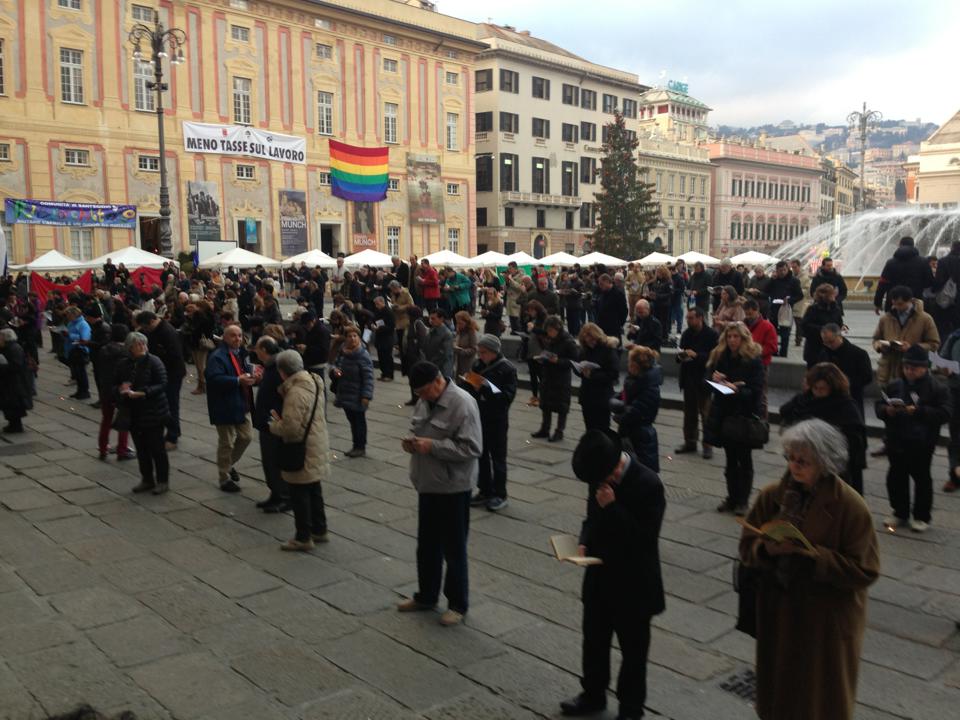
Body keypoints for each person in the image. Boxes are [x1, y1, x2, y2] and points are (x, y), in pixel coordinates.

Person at [739, 419, 879, 720]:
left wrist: (812, 555)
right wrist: (765, 549)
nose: (794, 466)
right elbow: (747, 546)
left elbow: (865, 570)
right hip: (779, 613)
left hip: (824, 622)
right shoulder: (771, 496)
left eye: (803, 461)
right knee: (780, 695)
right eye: (790, 458)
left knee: (820, 698)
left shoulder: (850, 506)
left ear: (824, 462)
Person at [561, 430, 665, 720]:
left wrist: (612, 506)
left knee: (633, 653)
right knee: (593, 641)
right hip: (599, 577)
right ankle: (592, 695)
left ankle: (631, 710)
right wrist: (583, 541)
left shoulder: (649, 484)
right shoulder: (599, 475)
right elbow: (591, 519)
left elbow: (644, 539)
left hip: (634, 584)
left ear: (615, 467)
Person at [398, 361, 482, 627]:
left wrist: (432, 446)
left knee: (454, 549)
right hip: (428, 482)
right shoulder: (426, 399)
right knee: (427, 545)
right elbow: (420, 427)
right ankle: (426, 596)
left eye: (424, 391)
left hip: (453, 486)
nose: (421, 398)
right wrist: (412, 441)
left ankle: (457, 604)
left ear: (438, 381)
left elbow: (472, 448)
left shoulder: (463, 403)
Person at [876, 345, 951, 533]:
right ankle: (900, 512)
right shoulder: (895, 384)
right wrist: (887, 410)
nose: (910, 371)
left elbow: (945, 413)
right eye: (907, 367)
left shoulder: (937, 387)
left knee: (922, 478)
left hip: (922, 442)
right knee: (896, 477)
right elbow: (879, 405)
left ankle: (921, 516)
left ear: (924, 368)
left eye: (914, 368)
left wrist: (919, 411)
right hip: (897, 439)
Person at [266, 350, 329, 551]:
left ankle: (303, 537)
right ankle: (319, 529)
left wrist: (274, 425)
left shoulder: (296, 392)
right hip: (317, 441)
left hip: (302, 447)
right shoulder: (314, 380)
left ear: (282, 371)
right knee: (314, 488)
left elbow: (291, 429)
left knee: (299, 491)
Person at [704, 322, 765, 515]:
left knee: (744, 460)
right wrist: (716, 379)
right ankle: (731, 497)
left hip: (744, 415)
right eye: (729, 337)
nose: (732, 341)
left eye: (736, 337)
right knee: (730, 460)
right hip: (725, 414)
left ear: (744, 338)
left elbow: (755, 391)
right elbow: (708, 382)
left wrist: (736, 389)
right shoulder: (721, 356)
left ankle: (743, 501)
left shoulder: (753, 359)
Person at [780, 363, 867, 494]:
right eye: (815, 388)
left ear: (833, 387)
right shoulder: (804, 400)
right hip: (802, 461)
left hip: (832, 467)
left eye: (823, 389)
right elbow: (785, 412)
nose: (818, 392)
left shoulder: (845, 405)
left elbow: (855, 441)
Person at [465, 334, 517, 512]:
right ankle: (485, 490)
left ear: (494, 352)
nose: (480, 355)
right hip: (479, 417)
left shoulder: (507, 369)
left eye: (484, 352)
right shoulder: (478, 365)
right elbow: (469, 389)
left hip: (497, 419)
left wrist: (486, 388)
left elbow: (507, 398)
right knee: (481, 455)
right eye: (479, 352)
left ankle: (500, 494)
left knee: (498, 458)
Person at [114, 332, 170, 495]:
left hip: (153, 411)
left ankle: (162, 480)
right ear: (130, 348)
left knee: (157, 449)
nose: (143, 347)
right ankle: (147, 479)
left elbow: (162, 384)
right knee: (141, 448)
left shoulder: (154, 361)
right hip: (133, 412)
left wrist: (144, 392)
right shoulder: (123, 364)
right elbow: (114, 384)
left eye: (144, 344)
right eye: (139, 345)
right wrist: (121, 390)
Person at [205, 324, 256, 493]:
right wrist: (236, 381)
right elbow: (213, 379)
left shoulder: (242, 353)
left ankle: (228, 464)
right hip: (224, 404)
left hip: (241, 402)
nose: (238, 339)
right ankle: (224, 478)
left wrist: (254, 375)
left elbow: (247, 369)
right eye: (233, 336)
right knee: (226, 442)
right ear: (225, 338)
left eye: (240, 335)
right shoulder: (217, 356)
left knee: (246, 436)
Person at [871, 285, 940, 387]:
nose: (896, 307)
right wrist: (880, 346)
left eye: (900, 304)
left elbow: (934, 344)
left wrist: (912, 347)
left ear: (910, 301)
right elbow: (876, 339)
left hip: (913, 371)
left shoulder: (925, 319)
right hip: (888, 370)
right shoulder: (886, 318)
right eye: (893, 304)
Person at [136, 311, 186, 450]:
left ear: (152, 322)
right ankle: (171, 432)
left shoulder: (167, 332)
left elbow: (174, 356)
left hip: (172, 374)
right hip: (162, 373)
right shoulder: (154, 330)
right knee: (164, 404)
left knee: (171, 405)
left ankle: (172, 436)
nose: (145, 330)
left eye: (145, 327)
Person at [675, 307, 718, 458]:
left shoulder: (712, 334)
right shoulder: (687, 333)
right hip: (688, 379)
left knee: (705, 414)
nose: (688, 320)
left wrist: (697, 355)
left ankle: (708, 445)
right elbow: (680, 353)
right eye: (687, 318)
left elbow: (715, 357)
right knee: (689, 414)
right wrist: (681, 356)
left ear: (700, 318)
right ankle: (690, 442)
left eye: (691, 318)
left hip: (704, 380)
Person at [252, 336, 289, 513]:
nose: (255, 352)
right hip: (267, 421)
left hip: (273, 421)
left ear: (264, 350)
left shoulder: (277, 368)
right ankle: (275, 494)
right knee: (268, 461)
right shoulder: (271, 366)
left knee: (275, 460)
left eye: (257, 348)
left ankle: (283, 497)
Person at [531, 315, 578, 442]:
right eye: (548, 331)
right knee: (545, 403)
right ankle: (545, 428)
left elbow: (574, 361)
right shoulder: (550, 339)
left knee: (561, 406)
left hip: (561, 378)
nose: (549, 333)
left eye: (551, 331)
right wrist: (543, 359)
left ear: (557, 328)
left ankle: (559, 431)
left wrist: (558, 361)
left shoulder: (568, 341)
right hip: (548, 375)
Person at [615, 345, 662, 472]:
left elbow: (636, 411)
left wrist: (620, 413)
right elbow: (624, 396)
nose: (627, 364)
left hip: (641, 435)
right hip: (630, 432)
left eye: (629, 361)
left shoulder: (649, 387)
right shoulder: (634, 380)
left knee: (640, 469)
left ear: (636, 365)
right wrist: (615, 399)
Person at [331, 324, 374, 458]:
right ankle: (356, 445)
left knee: (359, 422)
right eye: (350, 336)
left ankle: (360, 446)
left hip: (358, 394)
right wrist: (335, 372)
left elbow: (368, 377)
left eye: (355, 336)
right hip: (346, 392)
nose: (353, 338)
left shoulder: (363, 355)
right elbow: (336, 367)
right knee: (352, 421)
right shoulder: (343, 353)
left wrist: (366, 395)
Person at [95, 324, 134, 460]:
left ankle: (103, 448)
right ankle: (122, 450)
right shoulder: (126, 352)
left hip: (105, 389)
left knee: (106, 419)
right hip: (120, 389)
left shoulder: (104, 349)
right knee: (123, 419)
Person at [818, 323, 873, 419]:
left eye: (831, 342)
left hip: (851, 399)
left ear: (839, 336)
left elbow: (867, 377)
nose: (829, 345)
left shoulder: (859, 354)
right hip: (828, 401)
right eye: (825, 342)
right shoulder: (824, 354)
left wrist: (845, 383)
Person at [576, 323, 620, 432]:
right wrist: (581, 371)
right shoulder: (583, 350)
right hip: (587, 395)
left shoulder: (608, 349)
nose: (589, 340)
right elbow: (578, 367)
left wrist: (593, 375)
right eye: (586, 337)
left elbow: (613, 374)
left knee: (602, 428)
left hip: (602, 396)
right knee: (589, 427)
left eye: (591, 337)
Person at [874, 236, 934, 313]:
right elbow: (929, 282)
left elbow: (882, 283)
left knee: (894, 323)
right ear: (913, 245)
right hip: (915, 302)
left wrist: (877, 303)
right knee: (915, 324)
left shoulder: (891, 262)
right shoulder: (923, 262)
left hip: (894, 302)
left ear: (900, 245)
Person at [742, 298, 778, 418]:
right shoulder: (742, 324)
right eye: (746, 314)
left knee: (761, 395)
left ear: (757, 311)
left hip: (761, 365)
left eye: (750, 313)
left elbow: (772, 347)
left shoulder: (767, 326)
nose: (748, 316)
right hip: (744, 364)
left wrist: (755, 352)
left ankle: (762, 421)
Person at [800, 283, 843, 368]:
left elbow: (839, 323)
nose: (834, 296)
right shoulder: (813, 309)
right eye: (832, 294)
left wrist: (839, 330)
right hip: (814, 349)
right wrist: (823, 330)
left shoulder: (836, 309)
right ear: (827, 296)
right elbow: (805, 326)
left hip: (831, 349)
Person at [765, 261, 803, 356]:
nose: (782, 272)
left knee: (785, 331)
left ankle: (783, 352)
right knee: (773, 331)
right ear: (776, 271)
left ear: (787, 269)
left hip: (786, 309)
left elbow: (799, 295)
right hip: (774, 308)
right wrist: (772, 280)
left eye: (784, 270)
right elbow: (766, 291)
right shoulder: (774, 280)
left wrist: (789, 300)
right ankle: (774, 350)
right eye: (780, 270)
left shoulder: (794, 281)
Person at [0, 328, 32, 433]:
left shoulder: (14, 348)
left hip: (15, 383)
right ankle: (12, 424)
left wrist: (2, 366)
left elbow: (16, 365)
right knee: (9, 405)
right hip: (9, 382)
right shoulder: (7, 347)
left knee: (14, 405)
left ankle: (16, 426)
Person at [63, 306, 92, 400]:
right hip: (72, 350)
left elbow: (84, 338)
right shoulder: (71, 323)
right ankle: (79, 391)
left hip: (80, 350)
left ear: (74, 315)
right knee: (76, 372)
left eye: (68, 315)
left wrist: (70, 335)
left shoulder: (83, 324)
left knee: (81, 372)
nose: (67, 317)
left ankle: (84, 391)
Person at [418, 307, 454, 378]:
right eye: (430, 318)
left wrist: (430, 363)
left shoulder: (447, 334)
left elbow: (444, 354)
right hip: (429, 366)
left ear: (441, 319)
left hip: (441, 370)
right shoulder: (430, 331)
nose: (431, 321)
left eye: (433, 318)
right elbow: (423, 347)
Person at [594, 273, 628, 345]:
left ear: (607, 281)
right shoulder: (603, 293)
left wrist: (619, 324)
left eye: (601, 284)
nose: (600, 286)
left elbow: (624, 311)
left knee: (614, 349)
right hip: (602, 327)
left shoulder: (618, 294)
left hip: (614, 328)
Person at [452, 310, 479, 378]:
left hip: (468, 363)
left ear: (466, 322)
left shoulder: (471, 332)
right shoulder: (459, 331)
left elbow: (474, 349)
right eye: (457, 323)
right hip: (458, 362)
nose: (458, 325)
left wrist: (462, 351)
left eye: (460, 323)